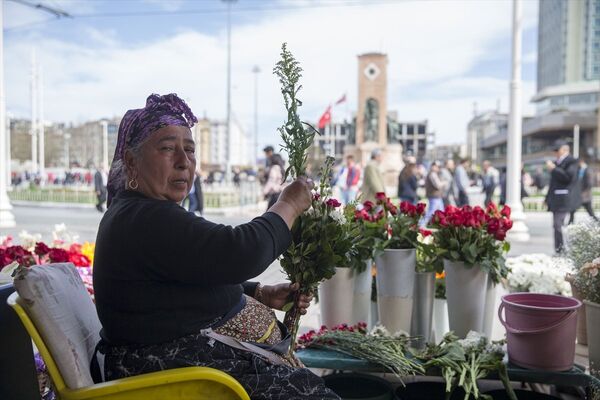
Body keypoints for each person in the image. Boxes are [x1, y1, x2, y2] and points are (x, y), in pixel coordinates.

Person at [93, 93, 339, 400]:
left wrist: (258, 293)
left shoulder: (140, 212)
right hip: (179, 376)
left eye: (190, 150)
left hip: (195, 366)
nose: (184, 162)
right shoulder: (143, 217)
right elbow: (239, 252)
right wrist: (288, 205)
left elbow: (187, 278)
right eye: (168, 148)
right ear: (132, 161)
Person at [545, 141, 579, 253]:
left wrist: (554, 169)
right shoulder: (556, 162)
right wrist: (547, 198)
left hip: (564, 198)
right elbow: (552, 184)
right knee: (556, 225)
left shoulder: (572, 161)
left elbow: (568, 177)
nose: (555, 153)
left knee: (558, 224)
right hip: (555, 199)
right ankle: (559, 249)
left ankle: (561, 249)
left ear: (564, 150)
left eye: (557, 150)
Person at [569, 159, 598, 224]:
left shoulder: (588, 170)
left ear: (581, 162)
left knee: (590, 211)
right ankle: (570, 222)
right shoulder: (579, 170)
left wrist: (583, 191)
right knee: (572, 209)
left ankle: (597, 222)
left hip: (585, 195)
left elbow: (590, 183)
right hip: (579, 195)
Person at [423, 161, 446, 226]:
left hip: (437, 196)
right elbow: (437, 185)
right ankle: (421, 224)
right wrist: (444, 183)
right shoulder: (432, 174)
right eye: (436, 166)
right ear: (433, 166)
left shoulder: (433, 174)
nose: (438, 168)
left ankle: (443, 225)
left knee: (441, 211)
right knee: (431, 211)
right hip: (434, 196)